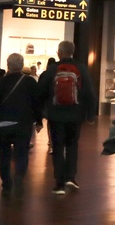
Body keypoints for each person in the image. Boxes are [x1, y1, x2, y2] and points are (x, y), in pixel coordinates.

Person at [37, 40, 97, 195]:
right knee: (72, 145)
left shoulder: (52, 69)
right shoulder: (81, 68)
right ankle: (71, 177)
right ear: (73, 52)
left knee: (57, 147)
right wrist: (91, 114)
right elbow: (90, 92)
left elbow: (41, 92)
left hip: (56, 115)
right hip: (76, 115)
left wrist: (39, 115)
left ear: (59, 53)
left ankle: (59, 183)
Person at [0, 53, 41, 197]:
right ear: (22, 65)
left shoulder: (0, 83)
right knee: (22, 153)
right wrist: (39, 121)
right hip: (23, 125)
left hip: (3, 125)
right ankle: (19, 177)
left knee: (3, 155)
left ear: (8, 65)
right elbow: (36, 103)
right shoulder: (30, 82)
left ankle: (6, 183)